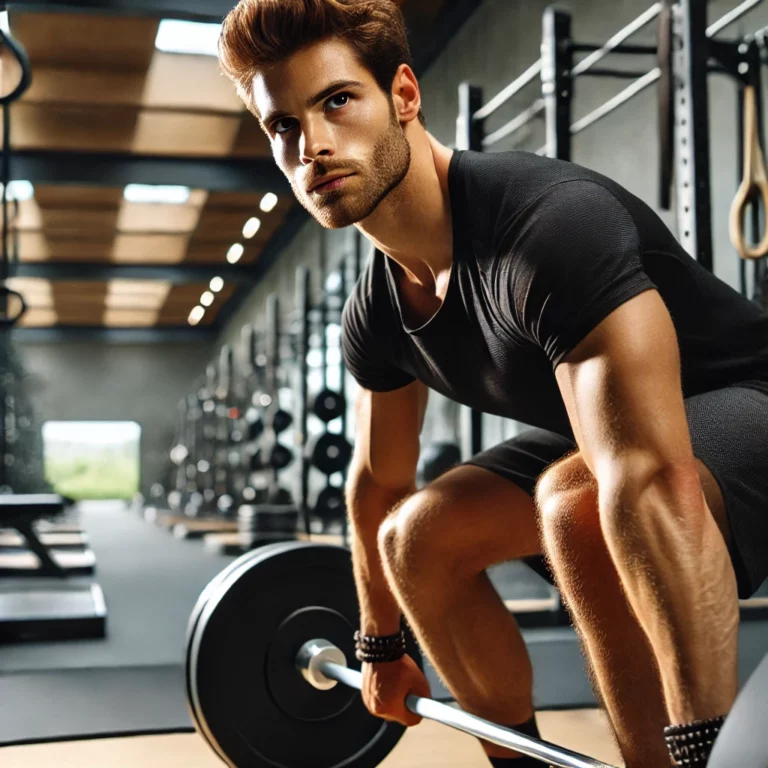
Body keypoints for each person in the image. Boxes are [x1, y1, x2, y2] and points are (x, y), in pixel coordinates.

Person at [217, 1, 768, 765]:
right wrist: (378, 644)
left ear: (403, 96)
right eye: (282, 126)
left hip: (752, 403)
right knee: (416, 538)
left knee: (576, 503)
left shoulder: (545, 229)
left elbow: (649, 478)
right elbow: (379, 485)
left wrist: (704, 748)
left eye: (337, 100)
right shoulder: (376, 311)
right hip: (627, 442)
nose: (312, 144)